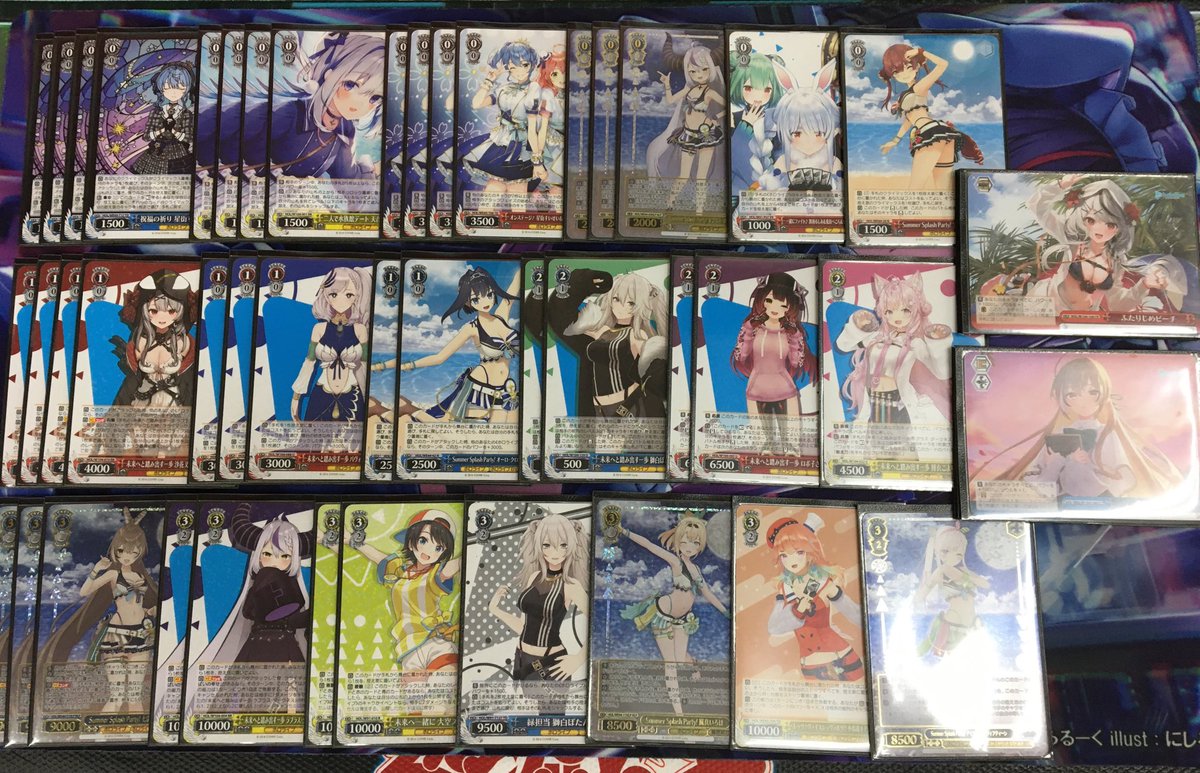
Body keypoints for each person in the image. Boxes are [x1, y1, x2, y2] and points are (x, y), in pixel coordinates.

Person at [976, 356, 1184, 500]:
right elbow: (1042, 482)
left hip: (1102, 502)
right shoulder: (1058, 434)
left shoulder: (1107, 434)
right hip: (1063, 503)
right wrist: (1058, 462)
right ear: (1062, 397)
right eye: (1072, 395)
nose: (1083, 401)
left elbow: (1120, 476)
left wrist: (1089, 465)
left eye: (1092, 392)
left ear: (1104, 393)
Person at [192, 503, 313, 713]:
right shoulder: (262, 582)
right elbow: (250, 611)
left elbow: (290, 614)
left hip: (282, 644)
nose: (275, 561)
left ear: (292, 558)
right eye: (268, 553)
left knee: (285, 700)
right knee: (251, 699)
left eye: (284, 556)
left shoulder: (289, 584)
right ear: (258, 554)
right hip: (261, 645)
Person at [36, 509, 158, 713]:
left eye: (133, 552)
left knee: (135, 697)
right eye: (122, 551)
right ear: (115, 549)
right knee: (117, 697)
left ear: (140, 551)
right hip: (117, 635)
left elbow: (140, 603)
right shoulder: (113, 574)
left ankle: (133, 732)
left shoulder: (141, 576)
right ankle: (101, 730)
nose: (127, 556)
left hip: (141, 635)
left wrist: (150, 611)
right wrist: (96, 569)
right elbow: (85, 591)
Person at [618, 514, 729, 715]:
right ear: (678, 541)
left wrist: (726, 612)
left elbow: (708, 593)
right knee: (670, 665)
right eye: (685, 541)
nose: (689, 547)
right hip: (663, 615)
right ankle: (678, 713)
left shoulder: (696, 569)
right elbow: (649, 545)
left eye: (695, 543)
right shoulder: (675, 562)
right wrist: (625, 532)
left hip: (683, 619)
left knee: (679, 660)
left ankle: (693, 664)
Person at [836, 273, 951, 460]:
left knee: (901, 458)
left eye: (905, 310)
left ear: (915, 310)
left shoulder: (915, 343)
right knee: (873, 458)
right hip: (873, 403)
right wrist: (858, 324)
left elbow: (941, 371)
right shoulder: (875, 337)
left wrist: (938, 342)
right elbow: (843, 345)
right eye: (890, 311)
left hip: (898, 404)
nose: (897, 317)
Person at [488, 512, 588, 707]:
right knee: (524, 719)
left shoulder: (571, 585)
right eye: (547, 545)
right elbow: (524, 626)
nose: (555, 552)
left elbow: (599, 625)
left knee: (550, 721)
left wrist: (578, 659)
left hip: (551, 663)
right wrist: (495, 609)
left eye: (563, 545)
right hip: (522, 659)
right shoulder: (534, 577)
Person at [397, 266, 520, 425]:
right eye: (476, 299)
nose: (485, 301)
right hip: (479, 386)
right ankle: (412, 410)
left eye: (489, 294)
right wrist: (409, 365)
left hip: (503, 388)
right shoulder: (471, 328)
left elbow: (516, 281)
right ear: (468, 302)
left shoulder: (502, 316)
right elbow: (440, 357)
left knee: (497, 433)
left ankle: (410, 409)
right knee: (448, 427)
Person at [1025, 175, 1166, 313]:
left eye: (1110, 225)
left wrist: (1144, 285)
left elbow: (1117, 304)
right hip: (1045, 305)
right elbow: (1037, 206)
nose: (1099, 229)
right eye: (1091, 220)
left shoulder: (1116, 260)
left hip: (1082, 318)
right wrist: (1060, 185)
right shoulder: (1073, 242)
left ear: (1120, 227)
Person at [345, 509, 460, 671]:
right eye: (423, 540)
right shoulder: (401, 570)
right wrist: (353, 540)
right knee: (415, 688)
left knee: (441, 684)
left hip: (436, 642)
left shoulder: (436, 574)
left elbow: (460, 561)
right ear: (411, 542)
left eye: (438, 547)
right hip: (408, 647)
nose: (429, 551)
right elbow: (378, 557)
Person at [545, 268, 668, 419]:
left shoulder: (638, 335)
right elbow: (560, 320)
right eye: (616, 299)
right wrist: (583, 281)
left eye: (630, 302)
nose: (621, 306)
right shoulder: (600, 330)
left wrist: (623, 410)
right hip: (598, 410)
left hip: (628, 410)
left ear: (640, 305)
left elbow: (646, 381)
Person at [108, 269, 198, 457]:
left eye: (171, 311)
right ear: (144, 311)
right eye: (154, 311)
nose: (162, 317)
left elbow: (187, 381)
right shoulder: (140, 341)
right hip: (143, 399)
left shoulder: (183, 342)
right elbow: (130, 384)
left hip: (173, 401)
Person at [765, 515, 863, 681]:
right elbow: (774, 627)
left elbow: (853, 613)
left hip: (841, 657)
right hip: (809, 666)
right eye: (784, 555)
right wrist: (798, 610)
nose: (791, 560)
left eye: (799, 552)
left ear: (809, 552)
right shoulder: (784, 589)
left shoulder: (824, 583)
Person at [731, 273, 817, 453]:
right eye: (769, 301)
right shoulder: (754, 329)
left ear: (790, 308)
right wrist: (749, 328)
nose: (775, 308)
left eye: (783, 305)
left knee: (791, 443)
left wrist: (795, 337)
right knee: (764, 444)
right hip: (756, 387)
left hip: (784, 388)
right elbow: (741, 355)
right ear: (762, 300)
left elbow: (796, 361)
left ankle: (790, 450)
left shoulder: (789, 333)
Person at [877, 44, 983, 190]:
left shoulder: (919, 87)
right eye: (897, 71)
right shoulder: (907, 94)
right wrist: (895, 140)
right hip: (940, 133)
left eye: (908, 67)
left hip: (930, 133)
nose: (904, 73)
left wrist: (921, 52)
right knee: (943, 191)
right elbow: (909, 119)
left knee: (914, 190)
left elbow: (943, 64)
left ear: (917, 67)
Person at [290, 266, 372, 451]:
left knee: (352, 452)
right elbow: (309, 363)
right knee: (312, 449)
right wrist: (296, 397)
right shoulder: (318, 329)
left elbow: (365, 366)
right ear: (326, 295)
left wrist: (371, 400)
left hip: (352, 394)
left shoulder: (360, 330)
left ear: (357, 296)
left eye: (349, 294)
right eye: (334, 294)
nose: (341, 300)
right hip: (321, 393)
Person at [646, 36, 726, 213]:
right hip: (688, 135)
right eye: (693, 71)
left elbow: (726, 106)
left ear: (710, 69)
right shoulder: (689, 88)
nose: (699, 74)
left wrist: (715, 117)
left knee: (701, 178)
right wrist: (667, 85)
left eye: (704, 69)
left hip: (706, 136)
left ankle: (699, 211)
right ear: (688, 72)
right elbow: (670, 100)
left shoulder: (710, 92)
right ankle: (669, 203)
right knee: (683, 175)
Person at [461, 40, 543, 202]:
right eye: (513, 67)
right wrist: (489, 80)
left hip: (522, 149)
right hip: (501, 145)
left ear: (532, 65)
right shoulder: (503, 89)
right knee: (491, 193)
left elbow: (532, 128)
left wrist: (537, 161)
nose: (519, 71)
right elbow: (476, 103)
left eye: (524, 65)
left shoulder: (534, 89)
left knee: (517, 197)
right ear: (507, 68)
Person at [916, 526, 989, 658]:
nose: (954, 556)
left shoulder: (963, 570)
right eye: (946, 551)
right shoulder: (941, 571)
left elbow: (986, 584)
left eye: (959, 553)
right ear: (939, 552)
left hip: (971, 625)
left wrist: (965, 576)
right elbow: (922, 594)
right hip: (952, 624)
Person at [132, 64, 195, 175]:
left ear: (186, 89)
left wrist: (173, 131)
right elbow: (146, 136)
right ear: (162, 88)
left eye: (179, 88)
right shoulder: (156, 112)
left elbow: (189, 138)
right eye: (168, 87)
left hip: (177, 153)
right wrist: (162, 130)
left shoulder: (185, 114)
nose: (173, 92)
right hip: (156, 152)